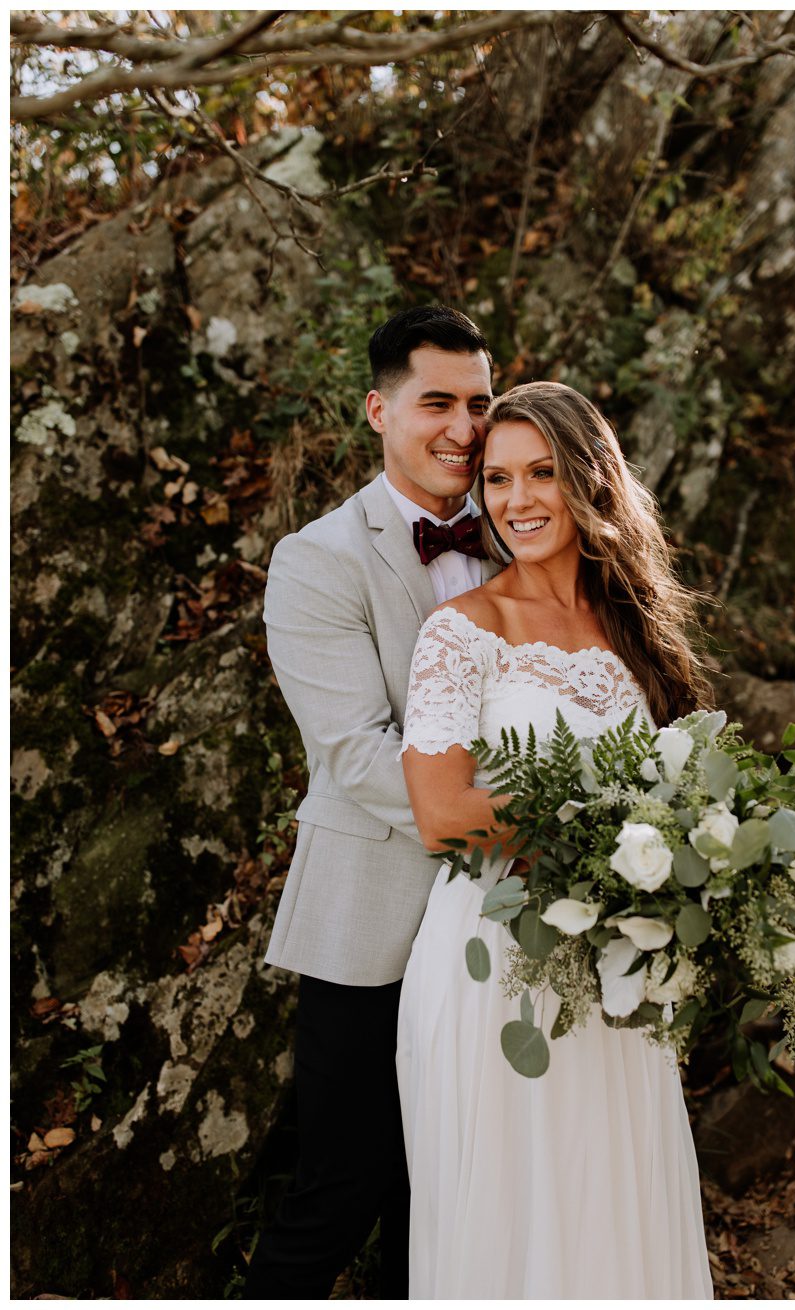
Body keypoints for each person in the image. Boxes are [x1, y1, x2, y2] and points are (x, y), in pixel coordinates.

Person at [395, 380, 714, 1298]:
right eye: (496, 479)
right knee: (514, 1216)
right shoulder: (463, 631)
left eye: (541, 473)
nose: (517, 499)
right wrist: (595, 827)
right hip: (496, 957)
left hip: (612, 960)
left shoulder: (634, 629)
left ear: (590, 478)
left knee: (613, 1204)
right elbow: (441, 813)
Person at [250, 305, 495, 1297]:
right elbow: (355, 753)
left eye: (479, 403)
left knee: (447, 1202)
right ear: (377, 410)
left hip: (498, 932)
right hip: (371, 924)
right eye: (437, 402)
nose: (464, 428)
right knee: (340, 1191)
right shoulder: (318, 558)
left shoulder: (520, 531)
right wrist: (513, 825)